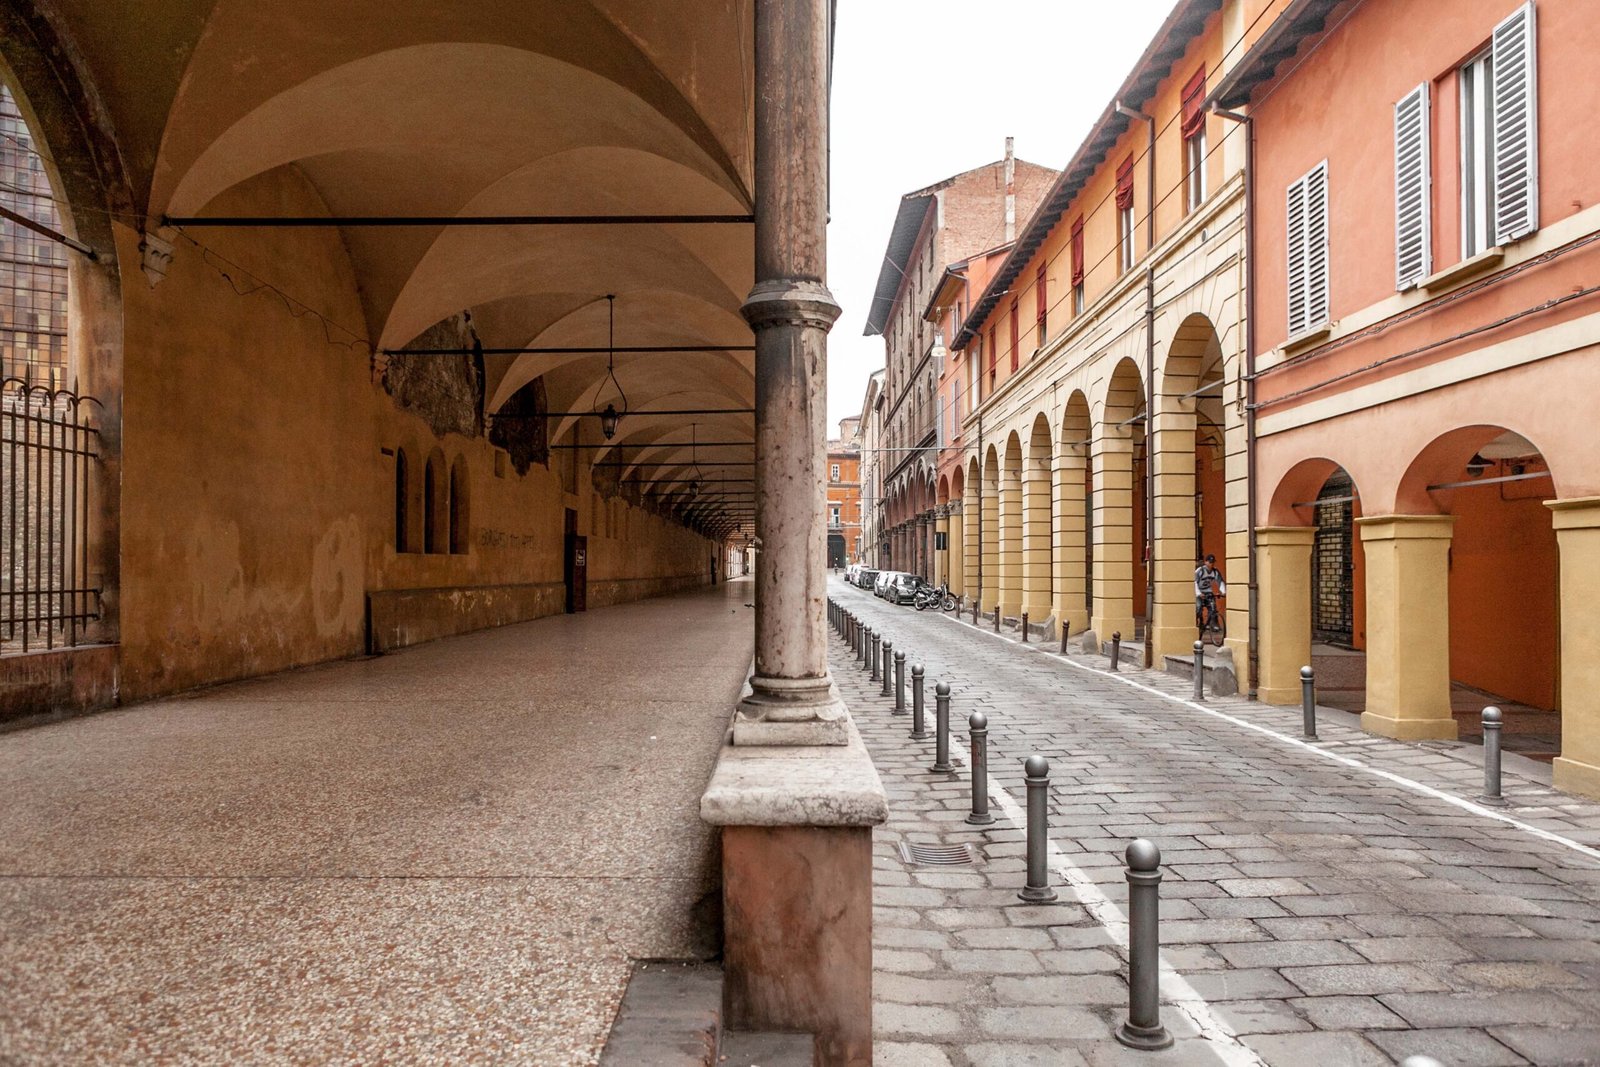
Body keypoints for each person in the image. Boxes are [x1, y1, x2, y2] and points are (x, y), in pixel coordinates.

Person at [1194, 554, 1225, 632]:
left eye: (1213, 562)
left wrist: (1223, 592)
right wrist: (1198, 593)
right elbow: (1194, 582)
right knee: (1198, 607)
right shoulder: (1200, 571)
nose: (1212, 564)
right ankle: (1196, 622)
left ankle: (1213, 624)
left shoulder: (1215, 571)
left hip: (1208, 591)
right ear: (1206, 562)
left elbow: (1220, 581)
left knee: (1213, 607)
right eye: (1210, 562)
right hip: (1199, 591)